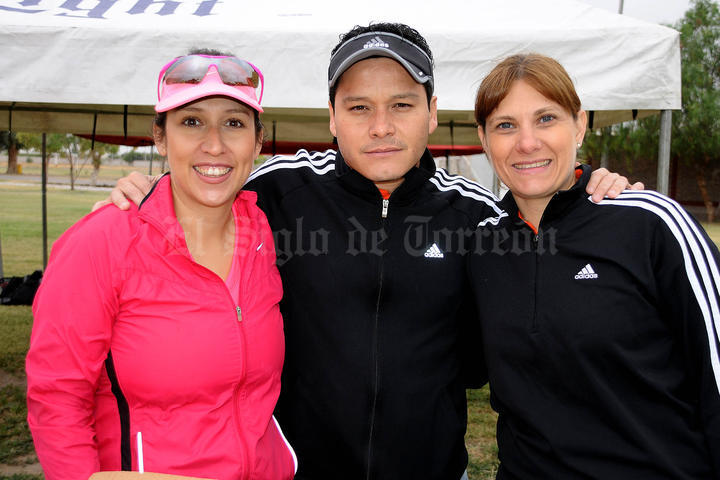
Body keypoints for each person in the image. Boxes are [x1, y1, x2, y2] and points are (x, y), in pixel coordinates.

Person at [100, 24, 637, 479]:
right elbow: (202, 190)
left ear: (431, 112)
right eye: (359, 107)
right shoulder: (277, 192)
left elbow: (547, 242)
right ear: (332, 118)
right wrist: (151, 188)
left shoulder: (475, 217)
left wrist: (591, 184)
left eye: (401, 105)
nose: (381, 127)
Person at [26, 51, 297, 480]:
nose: (214, 144)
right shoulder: (102, 242)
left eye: (234, 122)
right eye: (191, 122)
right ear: (160, 137)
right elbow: (56, 397)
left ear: (258, 142)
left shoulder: (265, 232)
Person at [470, 53, 720, 479]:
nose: (526, 142)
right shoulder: (478, 244)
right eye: (505, 125)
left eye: (546, 118)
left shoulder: (651, 224)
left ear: (580, 124)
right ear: (484, 138)